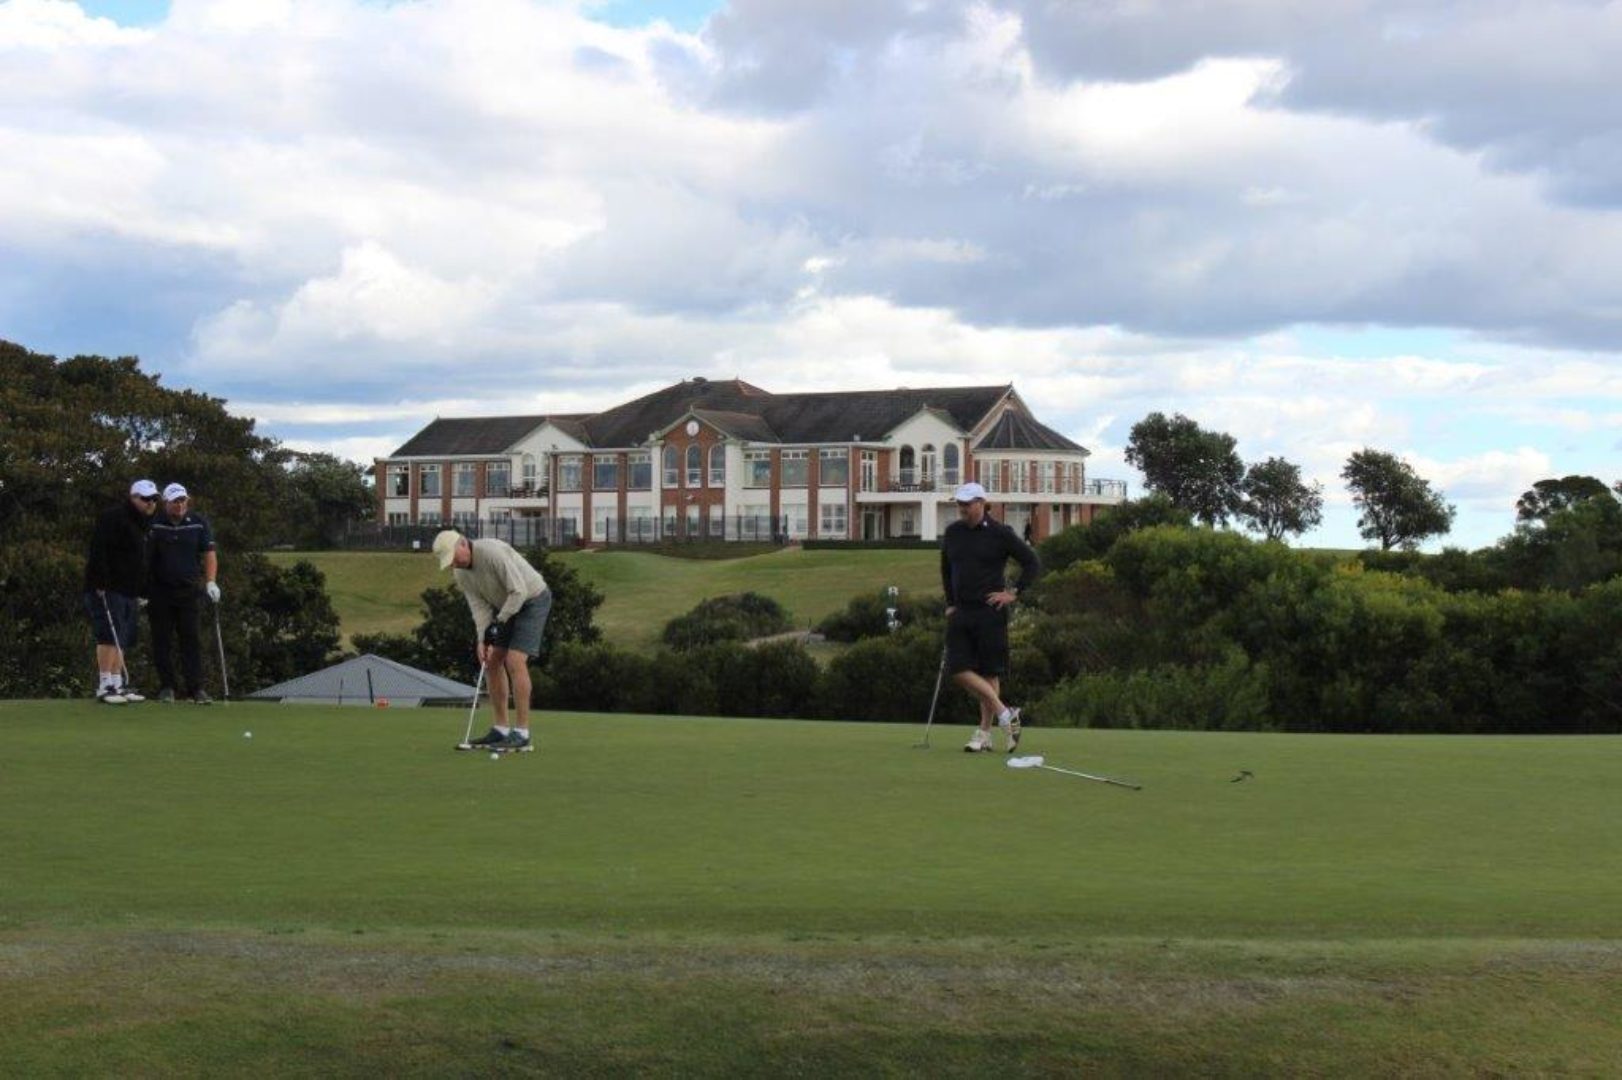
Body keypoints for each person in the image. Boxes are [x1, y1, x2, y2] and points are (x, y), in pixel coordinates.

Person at [940, 481, 1042, 753]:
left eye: (967, 504)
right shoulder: (953, 532)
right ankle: (1006, 713)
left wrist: (1014, 592)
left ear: (981, 504)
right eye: (960, 504)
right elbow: (946, 569)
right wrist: (950, 602)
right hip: (961, 611)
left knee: (989, 672)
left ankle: (984, 734)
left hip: (989, 611)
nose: (962, 508)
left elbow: (1031, 562)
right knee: (957, 668)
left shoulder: (1000, 533)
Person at [433, 529, 551, 750]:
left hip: (532, 600)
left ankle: (522, 733)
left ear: (463, 544)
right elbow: (478, 608)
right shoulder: (461, 574)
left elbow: (519, 591)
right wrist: (482, 639)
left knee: (514, 660)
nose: (454, 564)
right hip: (505, 607)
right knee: (492, 661)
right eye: (449, 562)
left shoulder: (491, 553)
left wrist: (499, 622)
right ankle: (501, 729)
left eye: (454, 558)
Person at [84, 479, 159, 704]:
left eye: (154, 499)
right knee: (109, 634)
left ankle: (117, 683)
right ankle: (104, 685)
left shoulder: (144, 523)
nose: (150, 503)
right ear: (133, 498)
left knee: (123, 636)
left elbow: (142, 559)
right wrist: (100, 581)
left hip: (129, 589)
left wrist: (143, 590)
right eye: (145, 499)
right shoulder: (114, 517)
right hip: (107, 587)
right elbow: (99, 549)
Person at [147, 483, 220, 704]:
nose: (179, 505)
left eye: (182, 500)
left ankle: (196, 689)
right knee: (162, 640)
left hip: (189, 590)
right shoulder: (154, 523)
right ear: (166, 503)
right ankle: (167, 687)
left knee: (191, 639)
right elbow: (144, 558)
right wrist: (141, 588)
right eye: (175, 501)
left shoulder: (198, 522)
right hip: (159, 590)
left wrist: (211, 582)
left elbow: (209, 553)